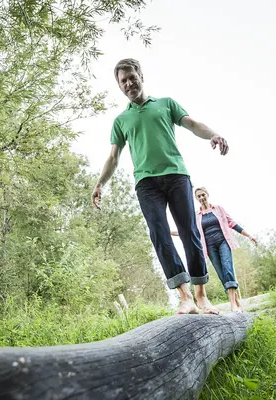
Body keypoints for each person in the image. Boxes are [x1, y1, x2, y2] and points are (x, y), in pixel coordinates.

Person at [91, 58, 230, 315]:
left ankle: (201, 296)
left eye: (132, 77)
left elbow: (192, 124)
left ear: (141, 76)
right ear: (119, 86)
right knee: (160, 235)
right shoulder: (121, 120)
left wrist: (213, 134)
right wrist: (100, 183)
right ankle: (185, 297)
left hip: (177, 176)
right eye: (124, 81)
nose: (129, 83)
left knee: (190, 233)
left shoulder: (166, 104)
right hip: (146, 184)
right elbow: (113, 157)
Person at [172, 187, 257, 312]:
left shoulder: (218, 209)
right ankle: (238, 303)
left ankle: (233, 304)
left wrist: (249, 235)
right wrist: (169, 232)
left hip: (223, 242)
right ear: (196, 199)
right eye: (199, 196)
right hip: (210, 247)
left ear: (207, 195)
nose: (201, 198)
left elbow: (232, 223)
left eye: (203, 195)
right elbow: (189, 230)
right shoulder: (197, 215)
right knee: (221, 273)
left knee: (227, 268)